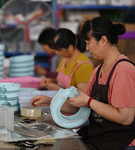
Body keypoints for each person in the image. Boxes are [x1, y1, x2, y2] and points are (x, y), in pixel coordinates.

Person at [30, 17, 135, 150]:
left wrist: (89, 101)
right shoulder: (98, 70)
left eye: (88, 42)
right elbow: (80, 105)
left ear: (103, 40)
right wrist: (52, 101)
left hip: (120, 143)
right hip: (100, 138)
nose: (87, 48)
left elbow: (125, 118)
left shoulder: (123, 70)